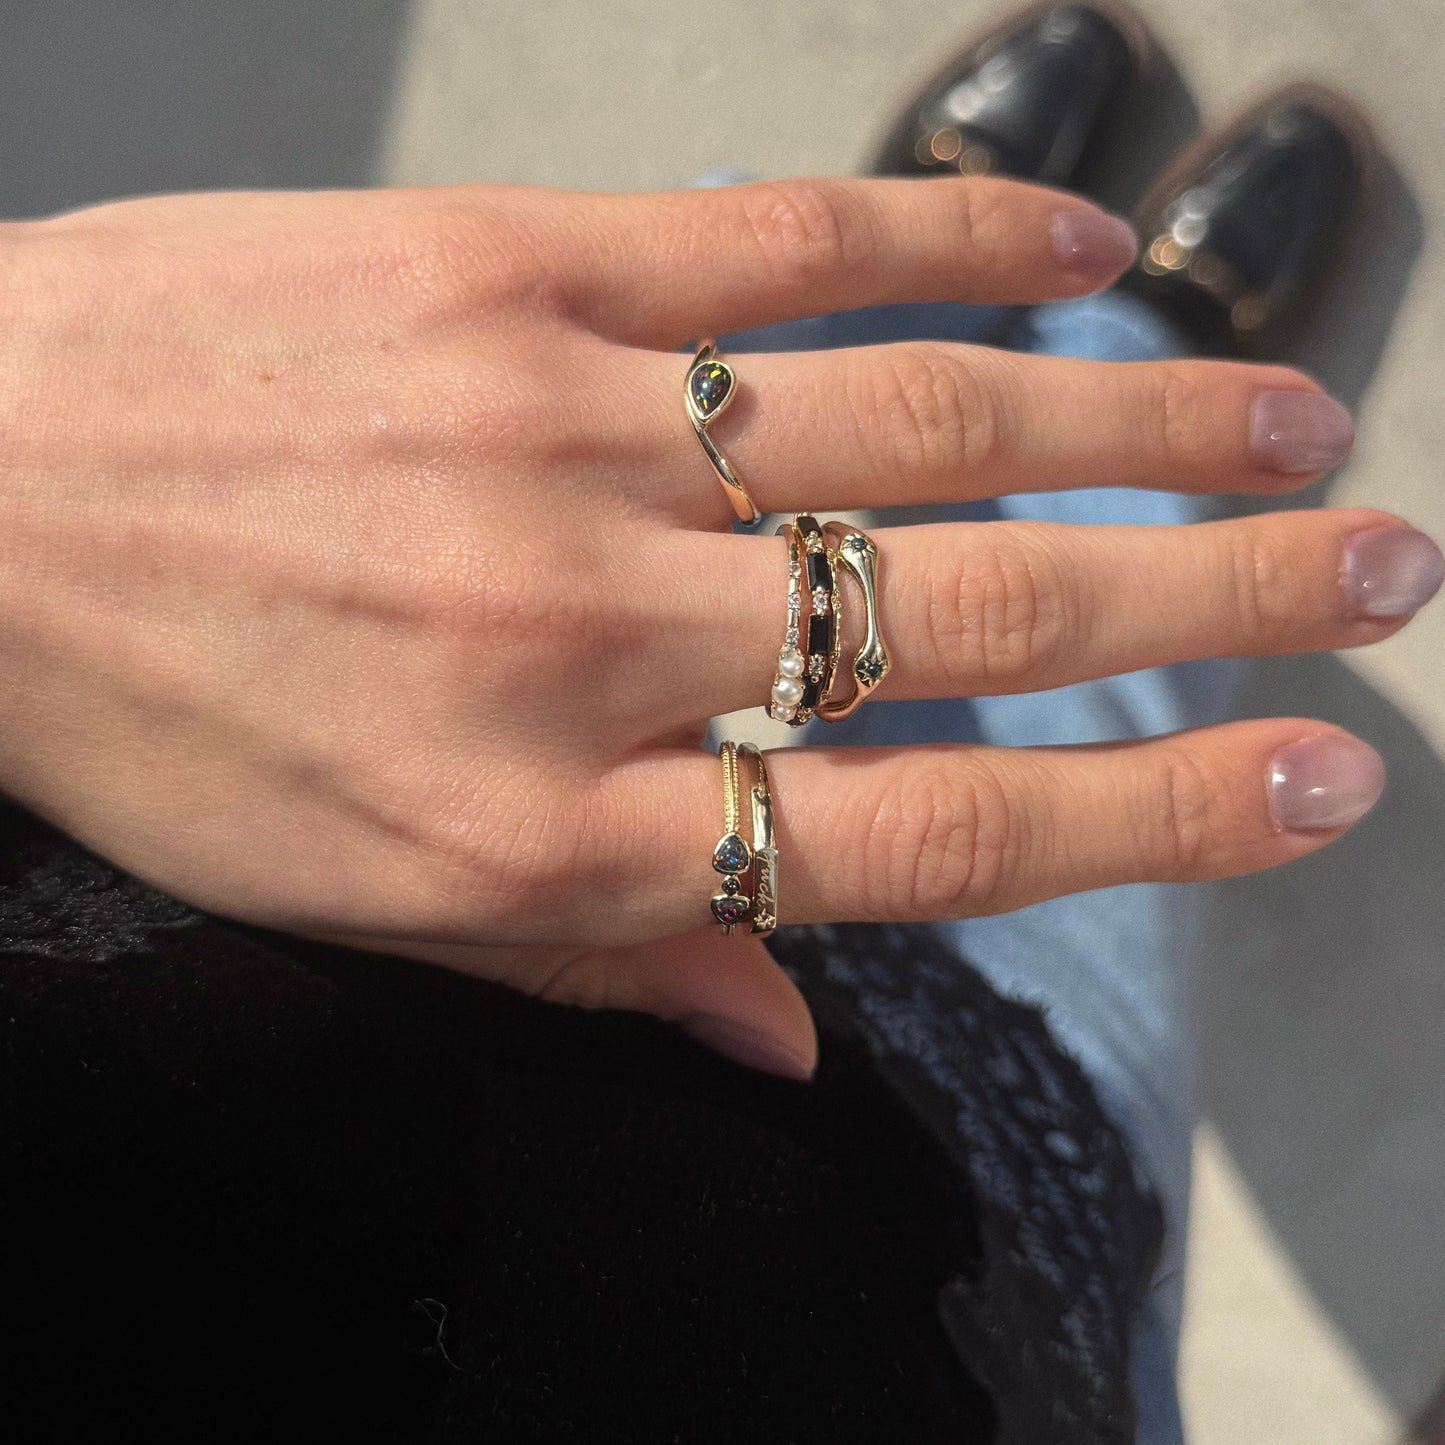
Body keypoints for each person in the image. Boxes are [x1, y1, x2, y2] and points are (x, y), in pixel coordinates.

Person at [0, 5, 1437, 1441]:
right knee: (1062, 754)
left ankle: (909, 298)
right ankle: (1124, 360)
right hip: (939, 1291)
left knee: (594, 384)